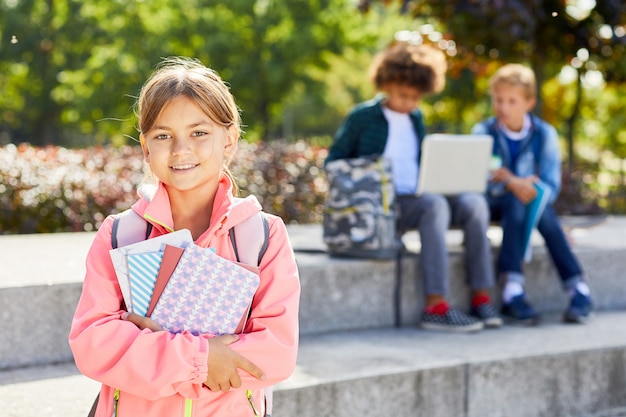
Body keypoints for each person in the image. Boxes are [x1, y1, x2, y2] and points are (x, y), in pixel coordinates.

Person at [69, 57, 300, 416]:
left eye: (199, 132)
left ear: (230, 140)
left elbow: (277, 354)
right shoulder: (119, 234)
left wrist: (150, 343)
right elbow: (94, 344)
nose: (181, 150)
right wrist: (204, 359)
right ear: (146, 147)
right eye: (163, 136)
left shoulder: (262, 236)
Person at [325, 42, 501, 332]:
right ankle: (435, 306)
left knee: (474, 204)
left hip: (422, 195)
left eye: (416, 98)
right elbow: (334, 162)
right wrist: (369, 172)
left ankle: (482, 298)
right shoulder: (363, 117)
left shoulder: (416, 119)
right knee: (435, 205)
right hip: (386, 205)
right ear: (386, 83)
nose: (410, 103)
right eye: (404, 95)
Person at [471, 63, 593, 325]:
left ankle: (512, 291)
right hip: (493, 202)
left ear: (529, 102)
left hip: (530, 202)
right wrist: (512, 184)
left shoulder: (544, 134)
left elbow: (549, 184)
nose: (503, 107)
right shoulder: (484, 132)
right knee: (521, 201)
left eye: (511, 101)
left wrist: (515, 182)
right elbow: (480, 179)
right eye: (498, 100)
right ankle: (578, 287)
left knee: (527, 203)